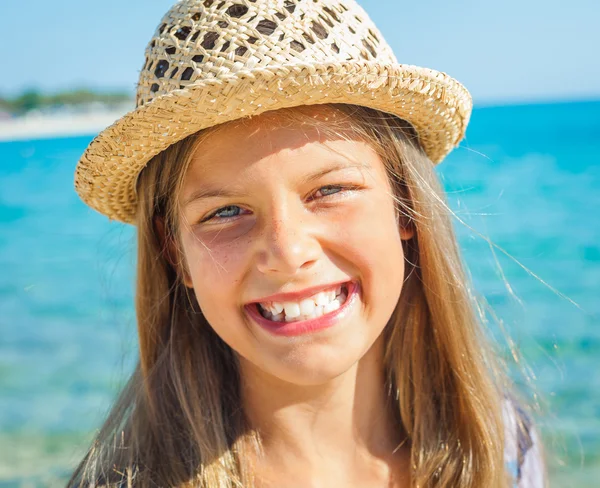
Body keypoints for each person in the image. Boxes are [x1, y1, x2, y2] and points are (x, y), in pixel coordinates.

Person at [69, 0, 545, 486]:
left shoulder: (502, 447)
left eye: (330, 190)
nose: (289, 254)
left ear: (405, 202)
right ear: (176, 254)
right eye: (225, 212)